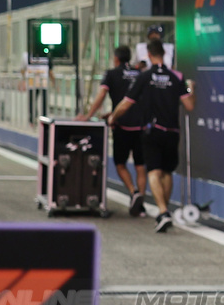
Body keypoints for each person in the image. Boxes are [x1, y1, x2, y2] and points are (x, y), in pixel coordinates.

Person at [108, 38, 194, 233]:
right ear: (164, 54)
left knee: (154, 172)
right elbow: (189, 105)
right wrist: (192, 89)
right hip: (172, 131)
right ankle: (164, 211)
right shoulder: (176, 77)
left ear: (148, 55)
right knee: (166, 172)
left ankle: (163, 212)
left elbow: (127, 102)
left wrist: (113, 116)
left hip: (152, 130)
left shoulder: (144, 77)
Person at [78, 46, 147, 216]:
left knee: (120, 163)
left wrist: (88, 115)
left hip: (122, 124)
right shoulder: (140, 73)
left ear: (116, 58)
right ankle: (141, 203)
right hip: (141, 125)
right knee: (140, 166)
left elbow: (102, 95)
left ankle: (133, 192)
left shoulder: (111, 74)